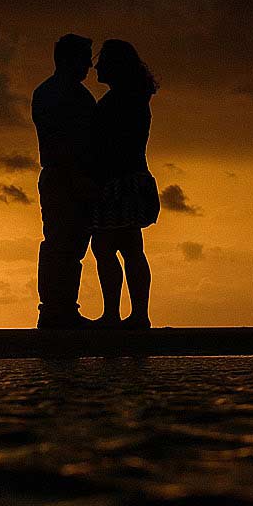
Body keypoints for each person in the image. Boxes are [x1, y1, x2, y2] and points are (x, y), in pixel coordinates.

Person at [88, 40, 160, 329]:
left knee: (106, 247)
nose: (96, 66)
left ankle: (114, 314)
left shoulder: (119, 101)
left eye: (103, 61)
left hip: (116, 180)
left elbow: (108, 145)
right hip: (132, 177)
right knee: (131, 248)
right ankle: (137, 315)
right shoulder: (135, 98)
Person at [30, 34, 97, 329]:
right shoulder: (68, 95)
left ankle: (59, 308)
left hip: (62, 174)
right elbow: (65, 142)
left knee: (64, 244)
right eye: (85, 59)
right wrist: (79, 177)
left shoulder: (50, 92)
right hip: (66, 175)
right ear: (69, 60)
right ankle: (58, 309)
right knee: (64, 244)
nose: (89, 66)